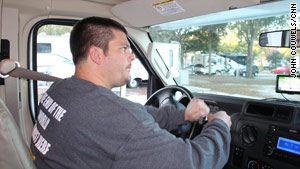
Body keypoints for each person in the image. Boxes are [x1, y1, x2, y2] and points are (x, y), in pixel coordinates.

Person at [30, 16, 232, 169]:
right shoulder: (117, 120)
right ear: (97, 55)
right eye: (124, 48)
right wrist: (220, 125)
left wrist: (184, 115)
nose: (132, 56)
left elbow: (135, 115)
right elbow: (195, 161)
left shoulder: (59, 90)